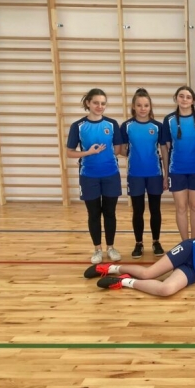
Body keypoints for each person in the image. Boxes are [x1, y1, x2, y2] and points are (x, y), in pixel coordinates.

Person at [66, 88, 123, 264]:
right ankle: (97, 249)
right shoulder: (78, 126)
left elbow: (118, 149)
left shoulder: (112, 124)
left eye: (103, 103)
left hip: (111, 175)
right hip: (88, 176)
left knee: (110, 213)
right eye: (96, 103)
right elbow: (69, 152)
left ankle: (111, 247)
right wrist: (88, 153)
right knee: (94, 213)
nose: (100, 106)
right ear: (88, 103)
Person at [120, 88, 166, 259]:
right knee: (137, 211)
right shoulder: (126, 126)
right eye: (139, 105)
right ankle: (138, 243)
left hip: (154, 174)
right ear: (134, 106)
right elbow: (122, 149)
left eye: (146, 105)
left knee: (155, 209)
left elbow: (164, 150)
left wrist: (166, 174)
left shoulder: (158, 126)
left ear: (150, 107)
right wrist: (136, 154)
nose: (142, 108)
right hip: (135, 175)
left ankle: (156, 241)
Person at [163, 86, 195, 241]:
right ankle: (185, 243)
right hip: (177, 171)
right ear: (176, 99)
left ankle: (194, 242)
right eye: (181, 96)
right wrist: (166, 174)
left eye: (188, 97)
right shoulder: (169, 120)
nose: (184, 99)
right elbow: (165, 148)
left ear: (193, 101)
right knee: (181, 208)